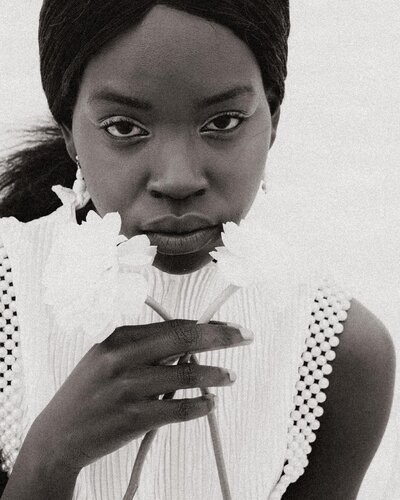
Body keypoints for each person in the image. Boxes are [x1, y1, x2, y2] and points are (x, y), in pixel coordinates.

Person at [0, 1, 395, 499]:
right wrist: (49, 456)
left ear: (273, 119)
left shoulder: (338, 352)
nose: (179, 179)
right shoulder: (8, 303)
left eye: (224, 122)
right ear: (70, 134)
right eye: (124, 128)